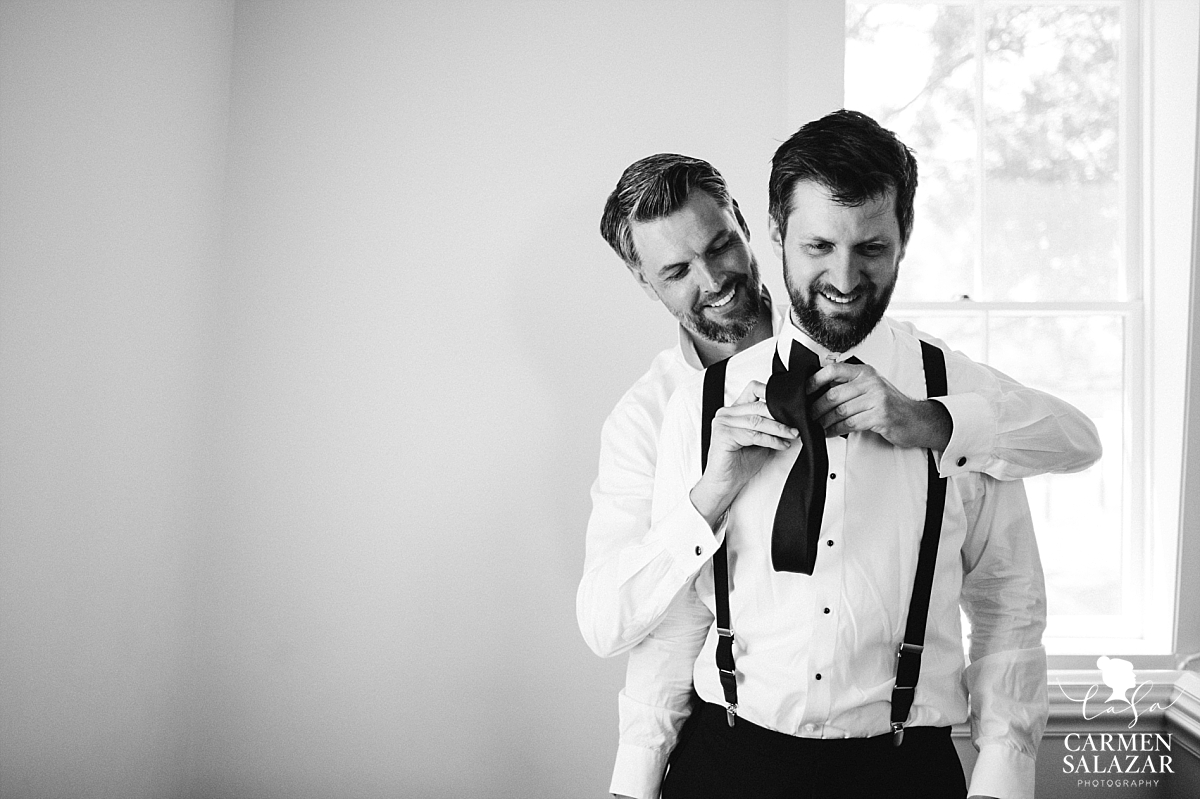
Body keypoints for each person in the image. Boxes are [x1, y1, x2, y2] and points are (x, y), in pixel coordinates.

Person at [612, 110, 1070, 799]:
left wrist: (1003, 779)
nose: (845, 276)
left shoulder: (958, 401)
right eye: (819, 244)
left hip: (902, 770)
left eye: (872, 248)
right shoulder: (697, 406)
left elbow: (1009, 604)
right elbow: (678, 625)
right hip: (727, 761)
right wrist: (632, 782)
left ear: (903, 239)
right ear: (777, 234)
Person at [578, 155, 1101, 666]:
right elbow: (609, 625)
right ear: (645, 282)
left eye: (721, 246)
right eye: (676, 271)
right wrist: (706, 499)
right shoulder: (649, 416)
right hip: (725, 724)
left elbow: (1074, 440)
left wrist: (928, 420)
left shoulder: (872, 347)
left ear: (745, 222)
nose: (713, 280)